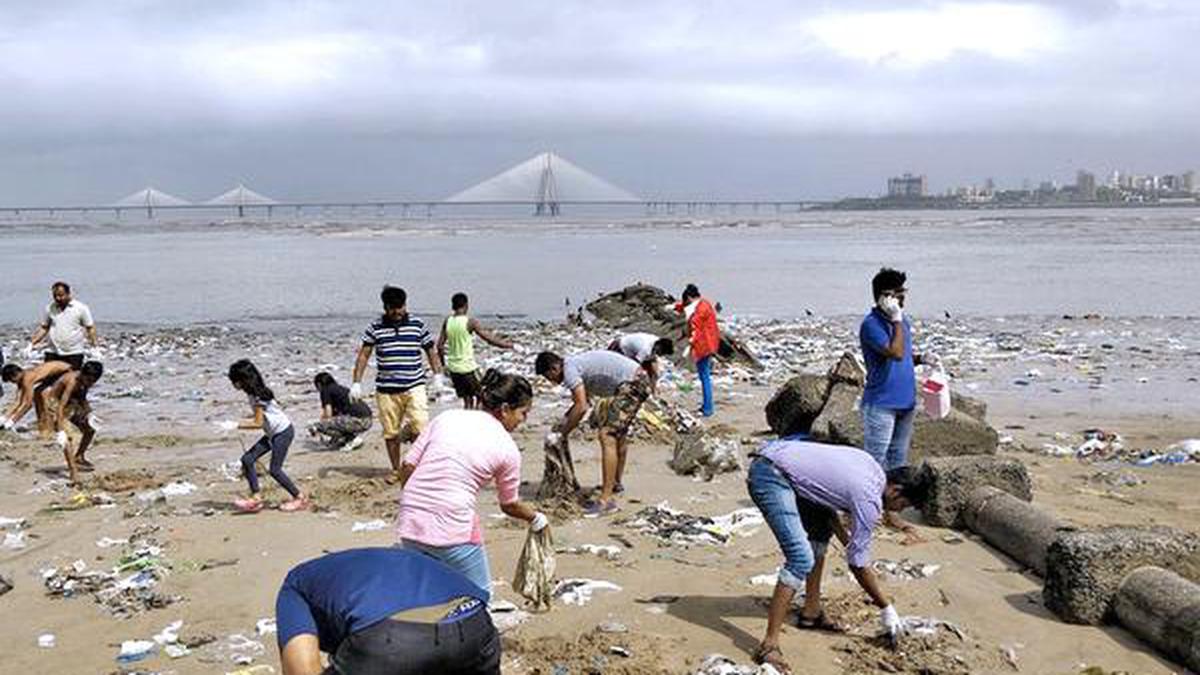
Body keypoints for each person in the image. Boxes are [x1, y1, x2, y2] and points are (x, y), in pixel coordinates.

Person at [746, 437, 934, 673]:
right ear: (895, 491)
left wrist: (849, 541)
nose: (899, 512)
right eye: (903, 505)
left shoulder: (871, 467)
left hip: (778, 461)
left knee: (819, 535)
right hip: (771, 475)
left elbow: (826, 501)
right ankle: (769, 644)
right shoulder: (869, 498)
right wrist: (885, 607)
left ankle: (811, 612)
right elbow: (857, 563)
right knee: (800, 558)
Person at [396, 370, 547, 592]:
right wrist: (536, 518)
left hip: (410, 520)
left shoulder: (447, 417)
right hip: (452, 524)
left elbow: (408, 466)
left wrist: (415, 501)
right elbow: (509, 505)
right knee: (480, 594)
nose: (523, 420)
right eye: (523, 413)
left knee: (428, 588)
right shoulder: (507, 449)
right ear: (505, 410)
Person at [276, 547, 499, 675]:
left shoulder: (294, 586)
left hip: (392, 640)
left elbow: (302, 670)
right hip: (476, 621)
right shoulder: (359, 570)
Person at [534, 350, 649, 517]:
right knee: (619, 434)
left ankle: (606, 501)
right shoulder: (574, 365)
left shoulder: (569, 370)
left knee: (607, 435)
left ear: (554, 368)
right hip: (637, 379)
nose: (552, 382)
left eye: (548, 377)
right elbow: (582, 402)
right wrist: (563, 423)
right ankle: (615, 483)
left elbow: (581, 407)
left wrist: (562, 434)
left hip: (631, 384)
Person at [351, 286, 441, 477]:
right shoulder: (375, 328)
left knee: (421, 427)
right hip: (386, 390)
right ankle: (395, 469)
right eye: (393, 308)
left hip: (414, 385)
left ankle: (418, 467)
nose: (398, 312)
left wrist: (438, 375)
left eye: (401, 307)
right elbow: (364, 355)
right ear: (385, 307)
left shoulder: (417, 325)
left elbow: (431, 351)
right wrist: (356, 382)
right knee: (391, 433)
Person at [859, 267, 922, 533]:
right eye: (900, 294)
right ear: (887, 297)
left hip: (905, 402)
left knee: (898, 462)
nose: (904, 298)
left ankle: (891, 513)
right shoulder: (872, 324)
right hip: (881, 403)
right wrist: (896, 319)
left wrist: (922, 359)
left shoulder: (902, 322)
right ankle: (864, 511)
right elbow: (894, 353)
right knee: (874, 462)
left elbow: (904, 354)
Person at [228, 359, 308, 513]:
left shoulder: (259, 397)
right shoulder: (254, 393)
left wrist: (235, 425)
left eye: (234, 380)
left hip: (282, 433)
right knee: (247, 459)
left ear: (242, 380)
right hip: (273, 433)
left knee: (275, 469)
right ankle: (256, 498)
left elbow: (257, 423)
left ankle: (299, 497)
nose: (233, 384)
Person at [436, 292, 514, 409]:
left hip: (454, 368)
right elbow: (488, 338)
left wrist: (443, 365)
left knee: (467, 399)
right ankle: (476, 418)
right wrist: (506, 345)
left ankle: (468, 419)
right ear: (466, 305)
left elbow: (439, 346)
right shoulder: (470, 322)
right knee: (481, 395)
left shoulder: (448, 321)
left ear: (453, 306)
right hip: (468, 367)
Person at [46, 361, 103, 484]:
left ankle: (79, 457)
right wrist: (61, 430)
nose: (90, 383)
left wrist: (89, 413)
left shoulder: (86, 381)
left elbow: (82, 397)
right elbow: (60, 407)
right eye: (88, 380)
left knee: (90, 430)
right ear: (82, 374)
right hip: (55, 404)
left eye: (93, 382)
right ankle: (73, 471)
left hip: (72, 403)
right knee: (68, 438)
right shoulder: (72, 381)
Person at [27, 281, 98, 371]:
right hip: (53, 351)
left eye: (61, 295)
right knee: (49, 380)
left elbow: (90, 328)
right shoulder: (50, 308)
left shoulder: (81, 308)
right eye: (55, 296)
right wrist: (32, 343)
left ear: (68, 294)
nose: (58, 298)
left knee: (71, 380)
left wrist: (95, 346)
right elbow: (44, 328)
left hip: (74, 352)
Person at [675, 283, 720, 417]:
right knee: (704, 375)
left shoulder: (701, 310)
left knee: (704, 376)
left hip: (705, 345)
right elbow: (685, 307)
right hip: (709, 343)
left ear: (689, 297)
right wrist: (675, 306)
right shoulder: (703, 303)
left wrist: (689, 344)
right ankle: (707, 406)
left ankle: (708, 409)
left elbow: (696, 328)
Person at [0, 360, 74, 436]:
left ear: (15, 375)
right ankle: (44, 428)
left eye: (12, 381)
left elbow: (28, 405)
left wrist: (12, 422)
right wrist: (4, 417)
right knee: (38, 393)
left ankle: (50, 427)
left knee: (43, 395)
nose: (13, 383)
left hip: (67, 372)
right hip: (54, 376)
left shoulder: (27, 378)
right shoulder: (23, 376)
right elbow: (18, 401)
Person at [309, 372, 373, 450]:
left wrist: (318, 427)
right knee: (335, 421)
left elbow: (328, 414)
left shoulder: (325, 390)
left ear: (319, 384)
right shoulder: (340, 389)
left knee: (318, 425)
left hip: (357, 420)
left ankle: (352, 439)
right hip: (368, 420)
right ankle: (343, 440)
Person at [608, 332, 673, 391]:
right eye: (662, 352)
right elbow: (634, 366)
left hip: (633, 354)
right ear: (659, 346)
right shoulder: (645, 348)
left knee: (653, 373)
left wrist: (653, 383)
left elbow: (652, 366)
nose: (661, 355)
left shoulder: (656, 343)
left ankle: (653, 391)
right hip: (619, 349)